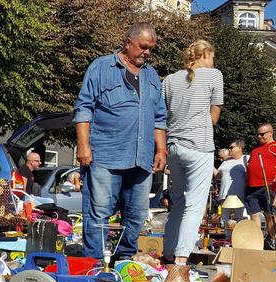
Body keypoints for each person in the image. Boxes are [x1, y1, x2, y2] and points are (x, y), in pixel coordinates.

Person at [73, 22, 167, 260]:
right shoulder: (101, 67)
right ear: (127, 43)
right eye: (143, 47)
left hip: (142, 159)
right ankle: (94, 265)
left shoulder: (152, 75)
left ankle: (124, 261)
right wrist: (83, 146)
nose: (147, 52)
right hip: (105, 155)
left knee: (135, 215)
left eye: (151, 49)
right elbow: (84, 108)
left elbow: (159, 117)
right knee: (99, 213)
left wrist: (161, 150)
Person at [162, 39, 223, 264]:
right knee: (194, 206)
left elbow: (163, 113)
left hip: (174, 145)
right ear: (205, 54)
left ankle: (168, 253)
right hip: (199, 145)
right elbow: (214, 114)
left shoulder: (169, 80)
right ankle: (180, 259)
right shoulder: (214, 74)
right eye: (212, 56)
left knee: (177, 202)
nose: (213, 61)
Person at [245, 123, 276, 249]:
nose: (259, 136)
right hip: (251, 186)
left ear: (270, 133)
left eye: (262, 134)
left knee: (269, 214)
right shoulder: (255, 149)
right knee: (254, 214)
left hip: (267, 185)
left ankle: (273, 239)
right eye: (258, 133)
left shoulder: (274, 146)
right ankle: (257, 240)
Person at [214, 140, 248, 236]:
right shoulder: (226, 162)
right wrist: (210, 164)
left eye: (232, 147)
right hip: (224, 194)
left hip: (239, 194)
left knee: (239, 218)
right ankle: (227, 238)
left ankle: (239, 237)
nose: (229, 149)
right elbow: (217, 175)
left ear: (240, 148)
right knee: (225, 219)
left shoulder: (246, 158)